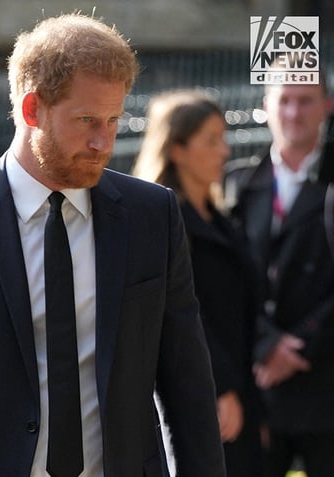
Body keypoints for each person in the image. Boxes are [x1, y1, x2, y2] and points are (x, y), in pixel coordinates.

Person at [0, 13, 225, 477]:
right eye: (86, 120)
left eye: (114, 120)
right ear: (32, 110)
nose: (103, 141)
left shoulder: (152, 215)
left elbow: (186, 380)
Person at [132, 90, 262, 476]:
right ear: (177, 149)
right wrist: (220, 389)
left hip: (242, 395)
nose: (224, 151)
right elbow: (183, 316)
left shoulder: (221, 218)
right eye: (211, 140)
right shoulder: (161, 225)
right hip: (206, 397)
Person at [224, 79, 334, 477]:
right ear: (266, 105)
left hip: (324, 379)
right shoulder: (236, 183)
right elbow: (222, 282)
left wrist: (300, 345)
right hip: (258, 386)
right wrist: (266, 343)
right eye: (283, 101)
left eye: (305, 101)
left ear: (326, 105)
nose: (293, 113)